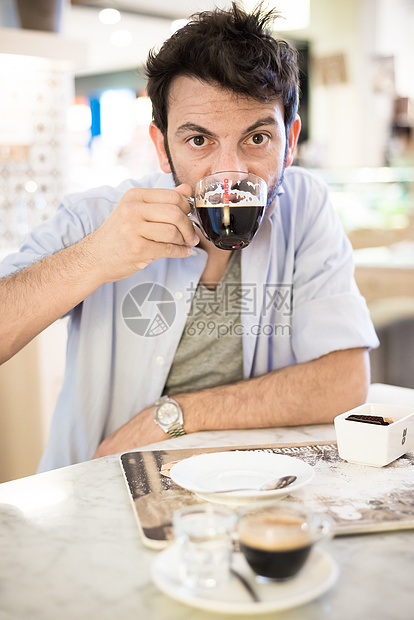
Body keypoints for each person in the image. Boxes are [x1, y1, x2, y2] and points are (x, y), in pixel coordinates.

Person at [0, 3, 378, 471]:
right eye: (199, 140)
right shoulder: (98, 216)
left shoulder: (305, 206)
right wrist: (96, 255)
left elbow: (343, 381)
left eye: (257, 139)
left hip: (250, 488)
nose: (230, 173)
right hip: (100, 489)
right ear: (162, 147)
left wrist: (172, 418)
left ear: (290, 140)